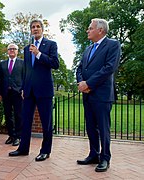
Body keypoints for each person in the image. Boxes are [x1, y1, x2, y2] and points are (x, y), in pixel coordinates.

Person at [9, 19, 59, 161]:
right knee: (25, 121)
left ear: (42, 29)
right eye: (33, 27)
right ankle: (23, 148)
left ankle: (45, 151)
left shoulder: (51, 45)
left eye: (38, 27)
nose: (35, 29)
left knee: (46, 122)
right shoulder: (26, 49)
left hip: (44, 90)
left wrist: (38, 54)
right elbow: (26, 71)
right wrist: (24, 88)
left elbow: (55, 63)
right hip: (29, 90)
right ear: (30, 30)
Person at [76, 18, 121, 172]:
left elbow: (109, 68)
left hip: (102, 95)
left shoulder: (113, 45)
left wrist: (88, 84)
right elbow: (80, 68)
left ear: (100, 30)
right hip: (87, 95)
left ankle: (105, 158)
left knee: (103, 128)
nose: (87, 31)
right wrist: (81, 83)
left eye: (90, 28)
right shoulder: (88, 49)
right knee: (90, 127)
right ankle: (93, 154)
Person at [0, 43, 23, 146]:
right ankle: (11, 135)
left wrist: (24, 90)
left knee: (18, 115)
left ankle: (18, 136)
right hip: (6, 93)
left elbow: (25, 78)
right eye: (10, 49)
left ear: (17, 51)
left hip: (18, 93)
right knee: (8, 116)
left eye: (14, 49)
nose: (12, 50)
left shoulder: (22, 63)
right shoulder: (2, 64)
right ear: (7, 51)